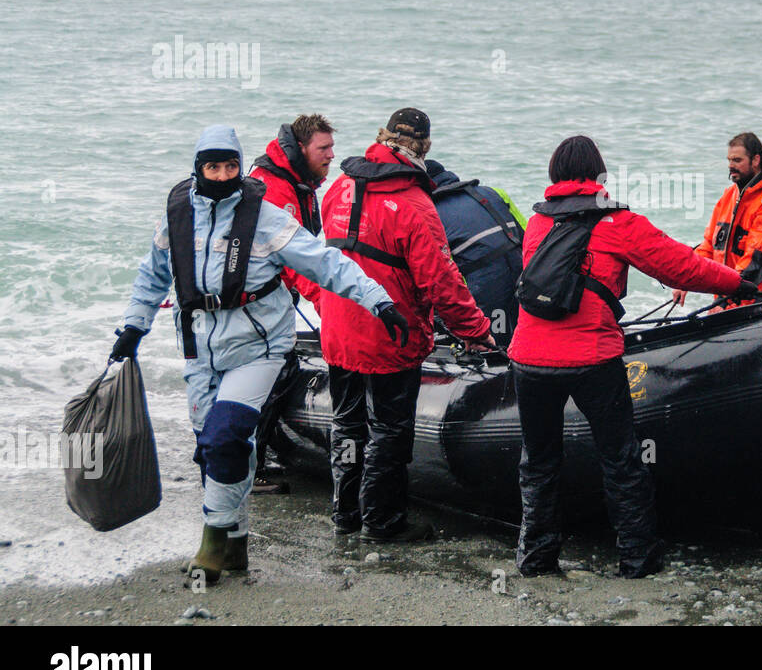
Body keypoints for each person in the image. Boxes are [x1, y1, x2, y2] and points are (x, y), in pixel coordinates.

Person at [111, 125, 407, 585]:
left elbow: (325, 262)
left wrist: (378, 300)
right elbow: (151, 278)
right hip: (198, 349)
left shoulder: (265, 220)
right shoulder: (175, 219)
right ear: (198, 169)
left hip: (260, 347)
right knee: (215, 451)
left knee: (226, 437)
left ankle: (211, 544)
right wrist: (132, 328)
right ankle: (238, 545)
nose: (224, 174)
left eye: (232, 165)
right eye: (214, 166)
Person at [508, 135, 753, 578]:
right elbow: (681, 267)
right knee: (620, 459)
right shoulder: (618, 222)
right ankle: (637, 557)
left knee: (538, 460)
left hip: (529, 358)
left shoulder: (537, 223)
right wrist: (739, 284)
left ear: (553, 175)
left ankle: (536, 557)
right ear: (599, 175)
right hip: (591, 358)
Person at [320, 109, 496, 543]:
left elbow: (318, 261)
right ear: (425, 147)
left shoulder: (338, 189)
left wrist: (323, 306)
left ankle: (345, 514)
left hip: (338, 331)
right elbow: (442, 280)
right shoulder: (415, 204)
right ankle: (381, 521)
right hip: (389, 335)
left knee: (346, 424)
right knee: (390, 431)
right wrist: (476, 330)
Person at [245, 113, 337, 494]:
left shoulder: (291, 179)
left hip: (265, 297)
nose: (331, 156)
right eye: (324, 149)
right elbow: (292, 258)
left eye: (332, 147)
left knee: (273, 371)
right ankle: (249, 470)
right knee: (273, 374)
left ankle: (248, 458)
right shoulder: (277, 190)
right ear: (301, 148)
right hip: (256, 301)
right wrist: (329, 302)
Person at [671, 132, 762, 308]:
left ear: (756, 160)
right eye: (729, 160)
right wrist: (686, 280)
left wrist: (724, 302)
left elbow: (757, 261)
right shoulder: (730, 195)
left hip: (760, 301)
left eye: (737, 160)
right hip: (728, 296)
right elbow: (709, 246)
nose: (731, 166)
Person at [424, 157, 527, 342]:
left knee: (495, 347)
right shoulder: (493, 192)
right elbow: (528, 235)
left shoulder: (430, 214)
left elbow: (439, 274)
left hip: (483, 291)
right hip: (525, 280)